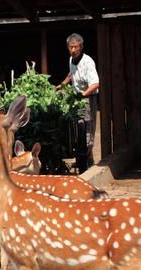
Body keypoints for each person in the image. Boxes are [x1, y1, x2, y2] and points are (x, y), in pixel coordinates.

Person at [56, 33, 99, 173]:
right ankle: (86, 159)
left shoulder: (88, 62)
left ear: (81, 47)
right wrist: (62, 85)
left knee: (87, 128)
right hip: (76, 98)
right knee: (77, 128)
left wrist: (83, 94)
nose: (73, 50)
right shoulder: (71, 59)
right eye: (71, 47)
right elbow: (71, 74)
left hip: (87, 97)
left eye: (76, 47)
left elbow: (96, 83)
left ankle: (84, 160)